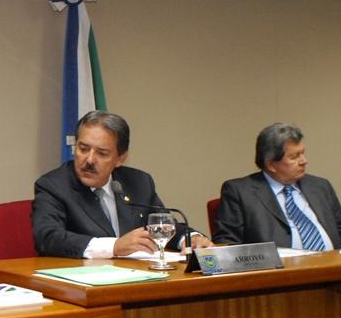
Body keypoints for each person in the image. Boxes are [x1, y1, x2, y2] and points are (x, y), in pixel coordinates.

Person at [31, 110, 211, 259]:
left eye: (102, 153)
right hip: (81, 281)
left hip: (135, 277)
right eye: (83, 149)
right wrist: (115, 246)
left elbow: (161, 225)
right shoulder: (53, 185)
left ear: (120, 158)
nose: (89, 160)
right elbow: (48, 237)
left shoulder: (139, 182)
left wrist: (189, 239)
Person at [213, 123, 341, 249]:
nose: (304, 161)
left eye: (302, 153)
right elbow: (228, 244)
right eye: (294, 157)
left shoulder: (320, 186)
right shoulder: (240, 192)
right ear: (271, 164)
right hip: (280, 270)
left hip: (334, 266)